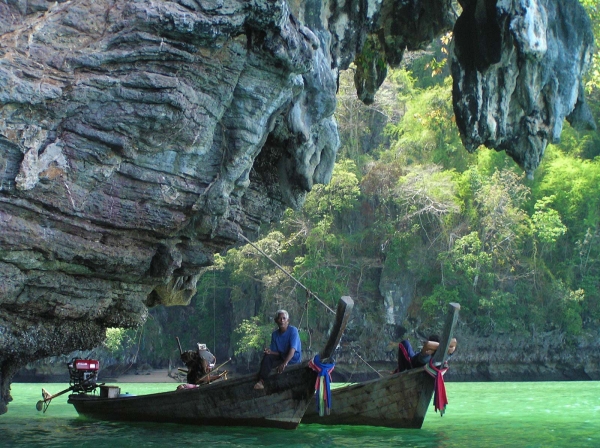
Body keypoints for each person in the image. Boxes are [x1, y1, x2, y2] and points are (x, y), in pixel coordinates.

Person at [254, 309, 302, 390]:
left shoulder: (293, 331)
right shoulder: (275, 334)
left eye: (284, 318)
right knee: (267, 357)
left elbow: (292, 350)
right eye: (280, 318)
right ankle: (261, 381)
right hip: (282, 357)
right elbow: (277, 353)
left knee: (277, 362)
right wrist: (270, 352)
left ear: (288, 321)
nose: (282, 320)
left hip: (292, 360)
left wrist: (284, 363)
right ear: (276, 321)